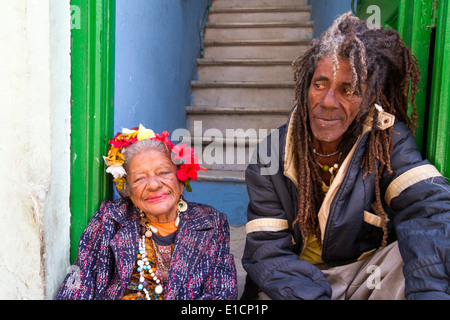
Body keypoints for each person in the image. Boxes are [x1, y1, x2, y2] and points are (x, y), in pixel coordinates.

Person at [241, 12, 450, 300]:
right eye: (320, 84)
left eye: (347, 89)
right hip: (297, 281)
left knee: (412, 254)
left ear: (368, 97)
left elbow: (429, 207)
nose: (328, 102)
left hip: (365, 276)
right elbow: (267, 252)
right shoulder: (271, 154)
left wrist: (429, 293)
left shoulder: (386, 137)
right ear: (305, 88)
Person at [56, 125, 237, 300]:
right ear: (129, 191)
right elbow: (79, 285)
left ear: (181, 180)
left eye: (164, 172)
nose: (153, 185)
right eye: (140, 178)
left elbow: (223, 292)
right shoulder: (111, 217)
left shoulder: (210, 222)